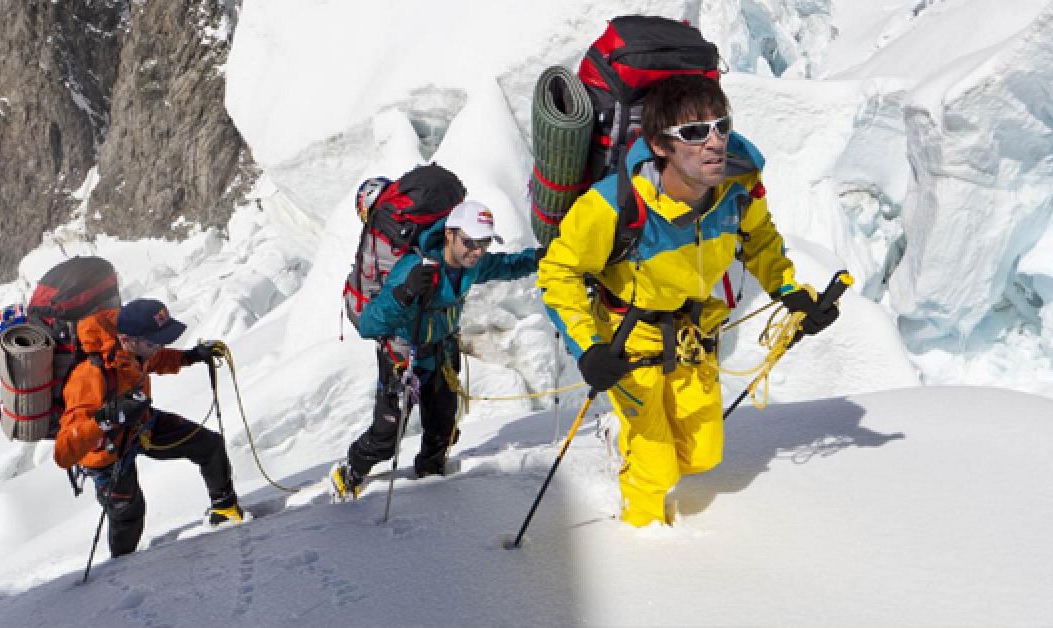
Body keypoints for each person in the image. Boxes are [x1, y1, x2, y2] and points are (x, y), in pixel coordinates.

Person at [537, 74, 839, 527]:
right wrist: (590, 349)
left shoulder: (736, 191)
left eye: (721, 126)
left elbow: (760, 242)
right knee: (655, 467)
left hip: (692, 336)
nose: (714, 142)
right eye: (694, 133)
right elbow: (557, 272)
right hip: (627, 341)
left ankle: (628, 441)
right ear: (660, 146)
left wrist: (794, 295)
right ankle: (643, 540)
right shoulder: (613, 206)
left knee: (701, 456)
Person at [330, 200, 540, 498]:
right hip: (403, 359)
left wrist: (541, 257)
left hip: (441, 353)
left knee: (442, 427)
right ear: (450, 234)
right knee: (387, 438)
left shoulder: (471, 264)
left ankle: (432, 484)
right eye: (470, 242)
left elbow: (507, 265)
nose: (477, 251)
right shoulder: (414, 269)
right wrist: (403, 294)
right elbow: (370, 324)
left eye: (483, 243)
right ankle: (351, 469)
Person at [53, 297, 240, 558]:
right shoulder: (89, 377)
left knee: (208, 445)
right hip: (106, 453)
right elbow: (64, 452)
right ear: (128, 340)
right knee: (129, 515)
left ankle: (226, 510)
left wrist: (191, 357)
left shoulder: (135, 351)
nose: (158, 347)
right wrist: (106, 418)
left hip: (141, 426)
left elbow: (157, 359)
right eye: (154, 342)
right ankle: (120, 569)